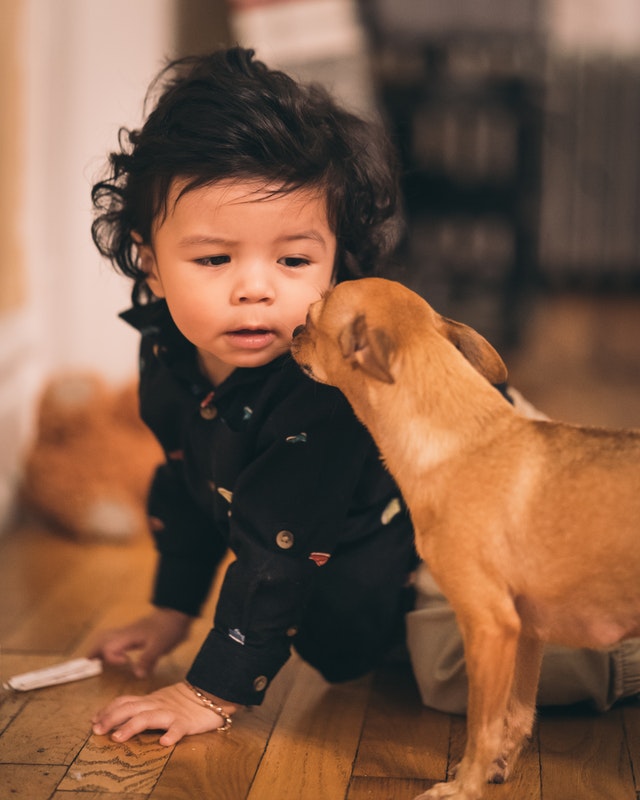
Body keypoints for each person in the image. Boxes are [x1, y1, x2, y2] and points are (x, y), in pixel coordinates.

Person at [89, 46, 640, 747]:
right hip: (380, 539)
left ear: (333, 261)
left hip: (465, 505)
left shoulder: (322, 389)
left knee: (463, 663)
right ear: (150, 263)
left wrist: (210, 693)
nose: (255, 289)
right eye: (214, 258)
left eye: (293, 260)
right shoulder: (165, 354)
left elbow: (277, 555)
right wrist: (171, 611)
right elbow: (189, 484)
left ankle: (626, 656)